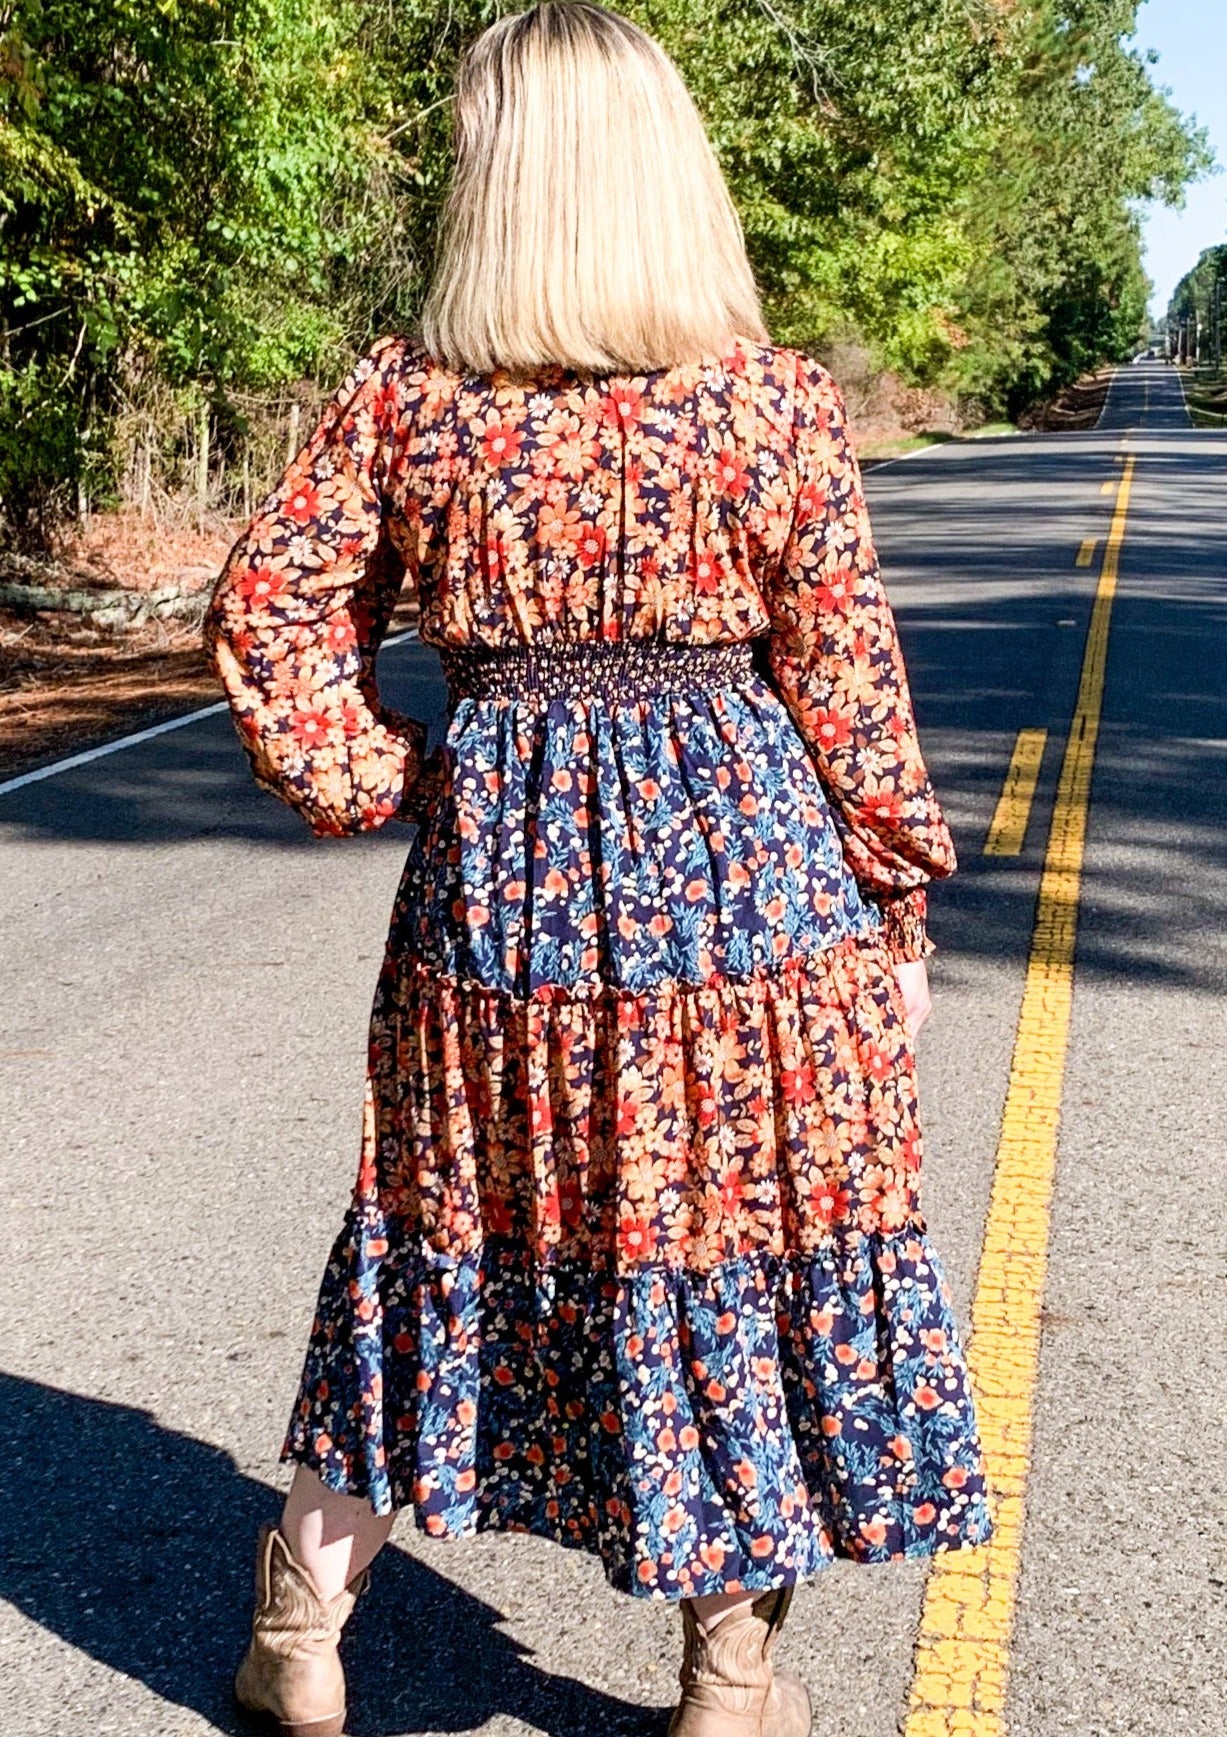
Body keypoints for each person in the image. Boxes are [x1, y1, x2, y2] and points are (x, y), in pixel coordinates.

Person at [206, 5, 992, 1733]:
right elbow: (849, 683)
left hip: (500, 903)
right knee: (737, 1243)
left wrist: (400, 774)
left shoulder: (409, 407)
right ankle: (730, 1678)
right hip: (755, 899)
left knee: (444, 1235)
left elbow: (268, 609)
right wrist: (896, 906)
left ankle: (300, 1628)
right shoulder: (773, 409)